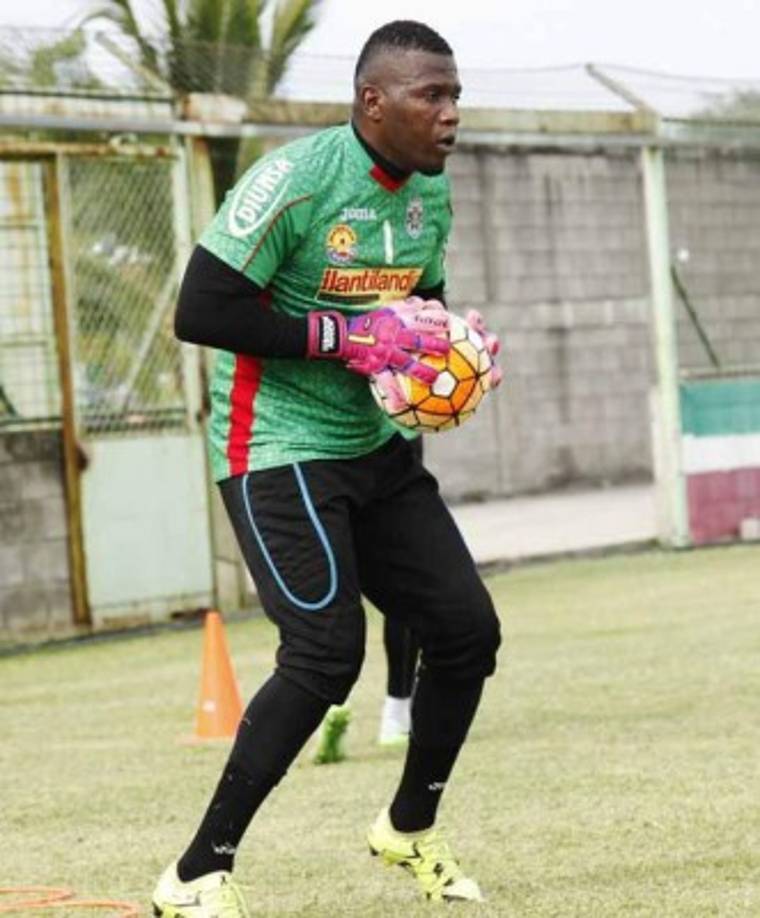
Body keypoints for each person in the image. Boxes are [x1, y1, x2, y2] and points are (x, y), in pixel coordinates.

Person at [152, 19, 502, 917]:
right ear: (372, 100)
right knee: (324, 653)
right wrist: (342, 337)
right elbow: (201, 308)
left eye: (456, 95)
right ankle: (194, 877)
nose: (451, 114)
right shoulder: (296, 182)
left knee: (465, 630)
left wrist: (441, 363)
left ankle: (409, 827)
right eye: (433, 96)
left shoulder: (430, 194)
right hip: (275, 448)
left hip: (374, 450)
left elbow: (421, 301)